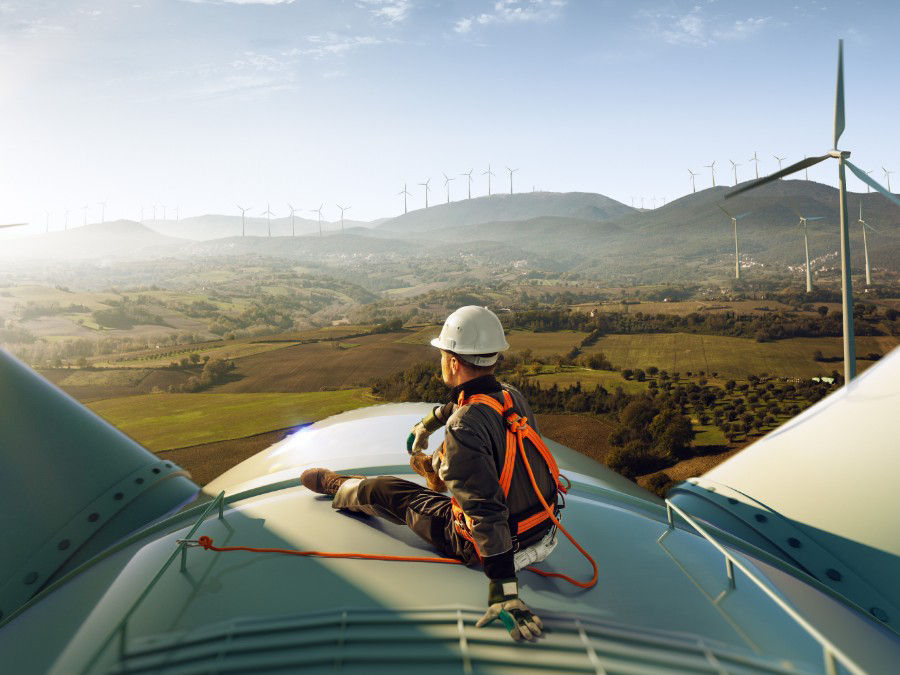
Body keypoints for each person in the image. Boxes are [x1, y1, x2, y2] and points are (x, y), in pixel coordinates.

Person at [301, 305, 561, 642]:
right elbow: (465, 404)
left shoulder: (464, 426)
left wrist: (504, 590)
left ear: (453, 362)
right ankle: (437, 470)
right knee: (455, 459)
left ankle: (341, 487)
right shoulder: (510, 395)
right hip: (545, 530)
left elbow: (485, 511)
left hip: (499, 547)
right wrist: (429, 423)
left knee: (388, 490)